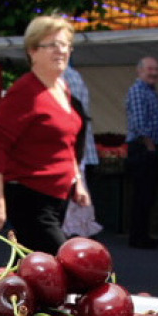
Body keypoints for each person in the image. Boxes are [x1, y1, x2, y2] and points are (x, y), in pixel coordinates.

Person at [0, 15, 88, 255]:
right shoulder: (24, 92)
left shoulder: (62, 88)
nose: (60, 51)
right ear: (32, 51)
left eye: (65, 45)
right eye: (51, 45)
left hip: (57, 198)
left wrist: (78, 181)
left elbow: (67, 142)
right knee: (65, 262)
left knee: (37, 270)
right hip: (30, 198)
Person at [125, 56, 158, 249]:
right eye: (150, 69)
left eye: (156, 69)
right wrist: (150, 147)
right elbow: (140, 124)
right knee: (142, 194)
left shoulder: (150, 91)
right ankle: (137, 237)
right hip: (143, 148)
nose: (154, 73)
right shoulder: (138, 91)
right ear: (139, 70)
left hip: (150, 148)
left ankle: (143, 234)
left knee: (148, 195)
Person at [61, 63, 103, 239]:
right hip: (80, 153)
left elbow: (70, 119)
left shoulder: (61, 79)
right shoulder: (75, 76)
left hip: (70, 154)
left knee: (67, 220)